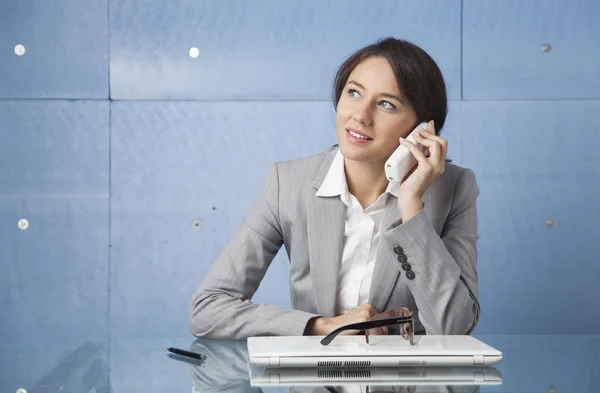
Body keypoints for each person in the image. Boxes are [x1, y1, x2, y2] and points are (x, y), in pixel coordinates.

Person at [189, 37, 480, 339]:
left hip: (407, 383)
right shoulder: (287, 183)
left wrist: (411, 208)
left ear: (423, 129)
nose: (360, 115)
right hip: (315, 382)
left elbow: (454, 328)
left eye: (386, 104)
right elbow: (207, 309)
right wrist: (319, 325)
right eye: (354, 93)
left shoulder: (455, 189)